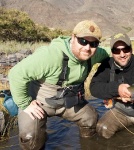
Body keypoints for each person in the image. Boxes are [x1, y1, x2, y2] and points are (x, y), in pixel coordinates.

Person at [8, 20, 110, 150]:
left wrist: (126, 52)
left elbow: (113, 52)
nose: (87, 47)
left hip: (68, 102)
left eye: (94, 43)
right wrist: (25, 104)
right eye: (83, 41)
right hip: (39, 104)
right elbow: (16, 74)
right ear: (73, 38)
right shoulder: (50, 55)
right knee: (30, 137)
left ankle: (88, 145)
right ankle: (39, 139)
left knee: (90, 118)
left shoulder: (93, 54)